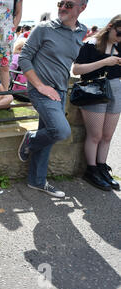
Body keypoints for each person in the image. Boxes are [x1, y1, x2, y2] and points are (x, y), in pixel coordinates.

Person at [17, 0, 88, 198]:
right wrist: (40, 85)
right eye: (60, 2)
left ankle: (37, 181)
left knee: (47, 135)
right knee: (61, 130)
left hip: (60, 91)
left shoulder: (81, 32)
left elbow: (75, 62)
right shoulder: (43, 28)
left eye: (68, 4)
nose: (63, 7)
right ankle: (30, 140)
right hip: (41, 90)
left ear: (82, 8)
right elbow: (24, 58)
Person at [72, 14, 121, 191]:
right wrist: (105, 62)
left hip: (116, 89)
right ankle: (91, 170)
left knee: (107, 135)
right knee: (96, 135)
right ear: (110, 26)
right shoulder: (91, 45)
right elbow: (76, 70)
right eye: (119, 32)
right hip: (94, 90)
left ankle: (102, 167)